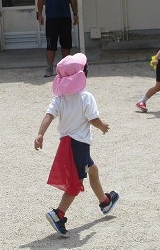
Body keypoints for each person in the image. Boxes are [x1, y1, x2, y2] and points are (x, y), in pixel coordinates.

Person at [34, 53, 119, 237]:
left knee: (93, 170)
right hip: (79, 145)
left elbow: (49, 115)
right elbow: (94, 119)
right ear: (83, 74)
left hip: (67, 144)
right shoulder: (85, 97)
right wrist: (102, 126)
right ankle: (59, 213)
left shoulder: (60, 98)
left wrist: (40, 134)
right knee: (76, 183)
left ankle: (105, 202)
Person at [37, 0, 79, 77]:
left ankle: (66, 69)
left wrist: (75, 14)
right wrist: (39, 14)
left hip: (65, 17)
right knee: (51, 45)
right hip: (51, 18)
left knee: (66, 45)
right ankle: (49, 68)